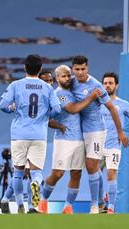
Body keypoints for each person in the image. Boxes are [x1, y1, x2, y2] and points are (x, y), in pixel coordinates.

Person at [0, 54, 61, 213]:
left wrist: (12, 109)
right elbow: (57, 109)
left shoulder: (16, 85)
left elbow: (3, 105)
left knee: (18, 172)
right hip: (39, 134)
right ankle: (32, 205)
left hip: (19, 134)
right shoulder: (47, 87)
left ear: (25, 68)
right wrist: (45, 115)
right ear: (40, 69)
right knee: (36, 172)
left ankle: (19, 204)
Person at [38, 65, 103, 214]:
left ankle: (68, 206)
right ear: (57, 79)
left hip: (80, 139)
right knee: (58, 174)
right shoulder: (58, 94)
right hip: (64, 140)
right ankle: (43, 200)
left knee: (76, 173)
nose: (67, 78)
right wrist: (59, 125)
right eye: (63, 76)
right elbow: (72, 109)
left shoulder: (75, 91)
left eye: (68, 75)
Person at [70, 55, 129, 213]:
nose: (80, 72)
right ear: (73, 69)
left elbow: (111, 108)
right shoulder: (70, 83)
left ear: (87, 68)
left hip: (96, 131)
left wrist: (120, 132)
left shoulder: (96, 85)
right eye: (77, 69)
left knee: (92, 167)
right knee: (77, 169)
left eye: (83, 69)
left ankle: (95, 205)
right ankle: (101, 203)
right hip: (77, 131)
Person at [99, 72, 129, 214]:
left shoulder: (124, 105)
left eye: (110, 83)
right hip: (96, 145)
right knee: (95, 175)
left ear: (116, 85)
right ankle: (101, 202)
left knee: (111, 174)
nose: (107, 85)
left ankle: (111, 209)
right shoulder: (96, 103)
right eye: (105, 83)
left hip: (114, 145)